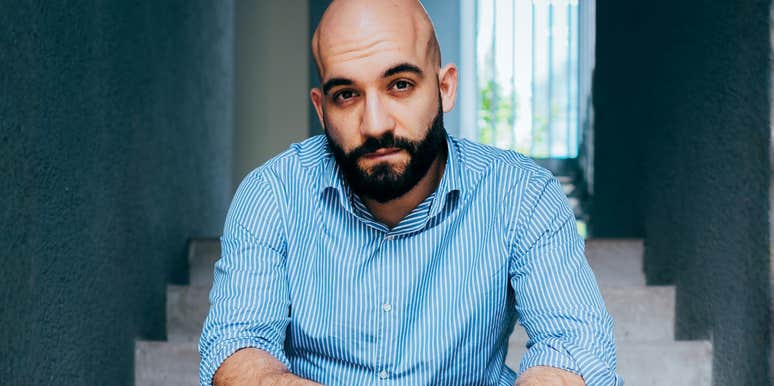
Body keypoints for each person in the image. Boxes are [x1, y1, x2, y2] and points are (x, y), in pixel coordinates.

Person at [199, 0, 621, 385]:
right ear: (321, 108)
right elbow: (237, 348)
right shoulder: (272, 194)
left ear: (445, 87)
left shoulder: (521, 195)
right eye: (346, 95)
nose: (376, 123)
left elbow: (573, 348)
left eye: (399, 84)